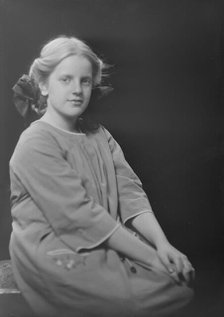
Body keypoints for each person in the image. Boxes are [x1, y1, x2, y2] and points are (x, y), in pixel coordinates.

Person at [9, 35, 194, 317]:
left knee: (177, 285)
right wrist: (152, 259)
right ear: (44, 85)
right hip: (56, 246)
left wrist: (161, 245)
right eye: (65, 79)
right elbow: (79, 215)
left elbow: (129, 193)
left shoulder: (98, 134)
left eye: (85, 81)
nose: (77, 90)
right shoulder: (35, 142)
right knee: (141, 300)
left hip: (101, 233)